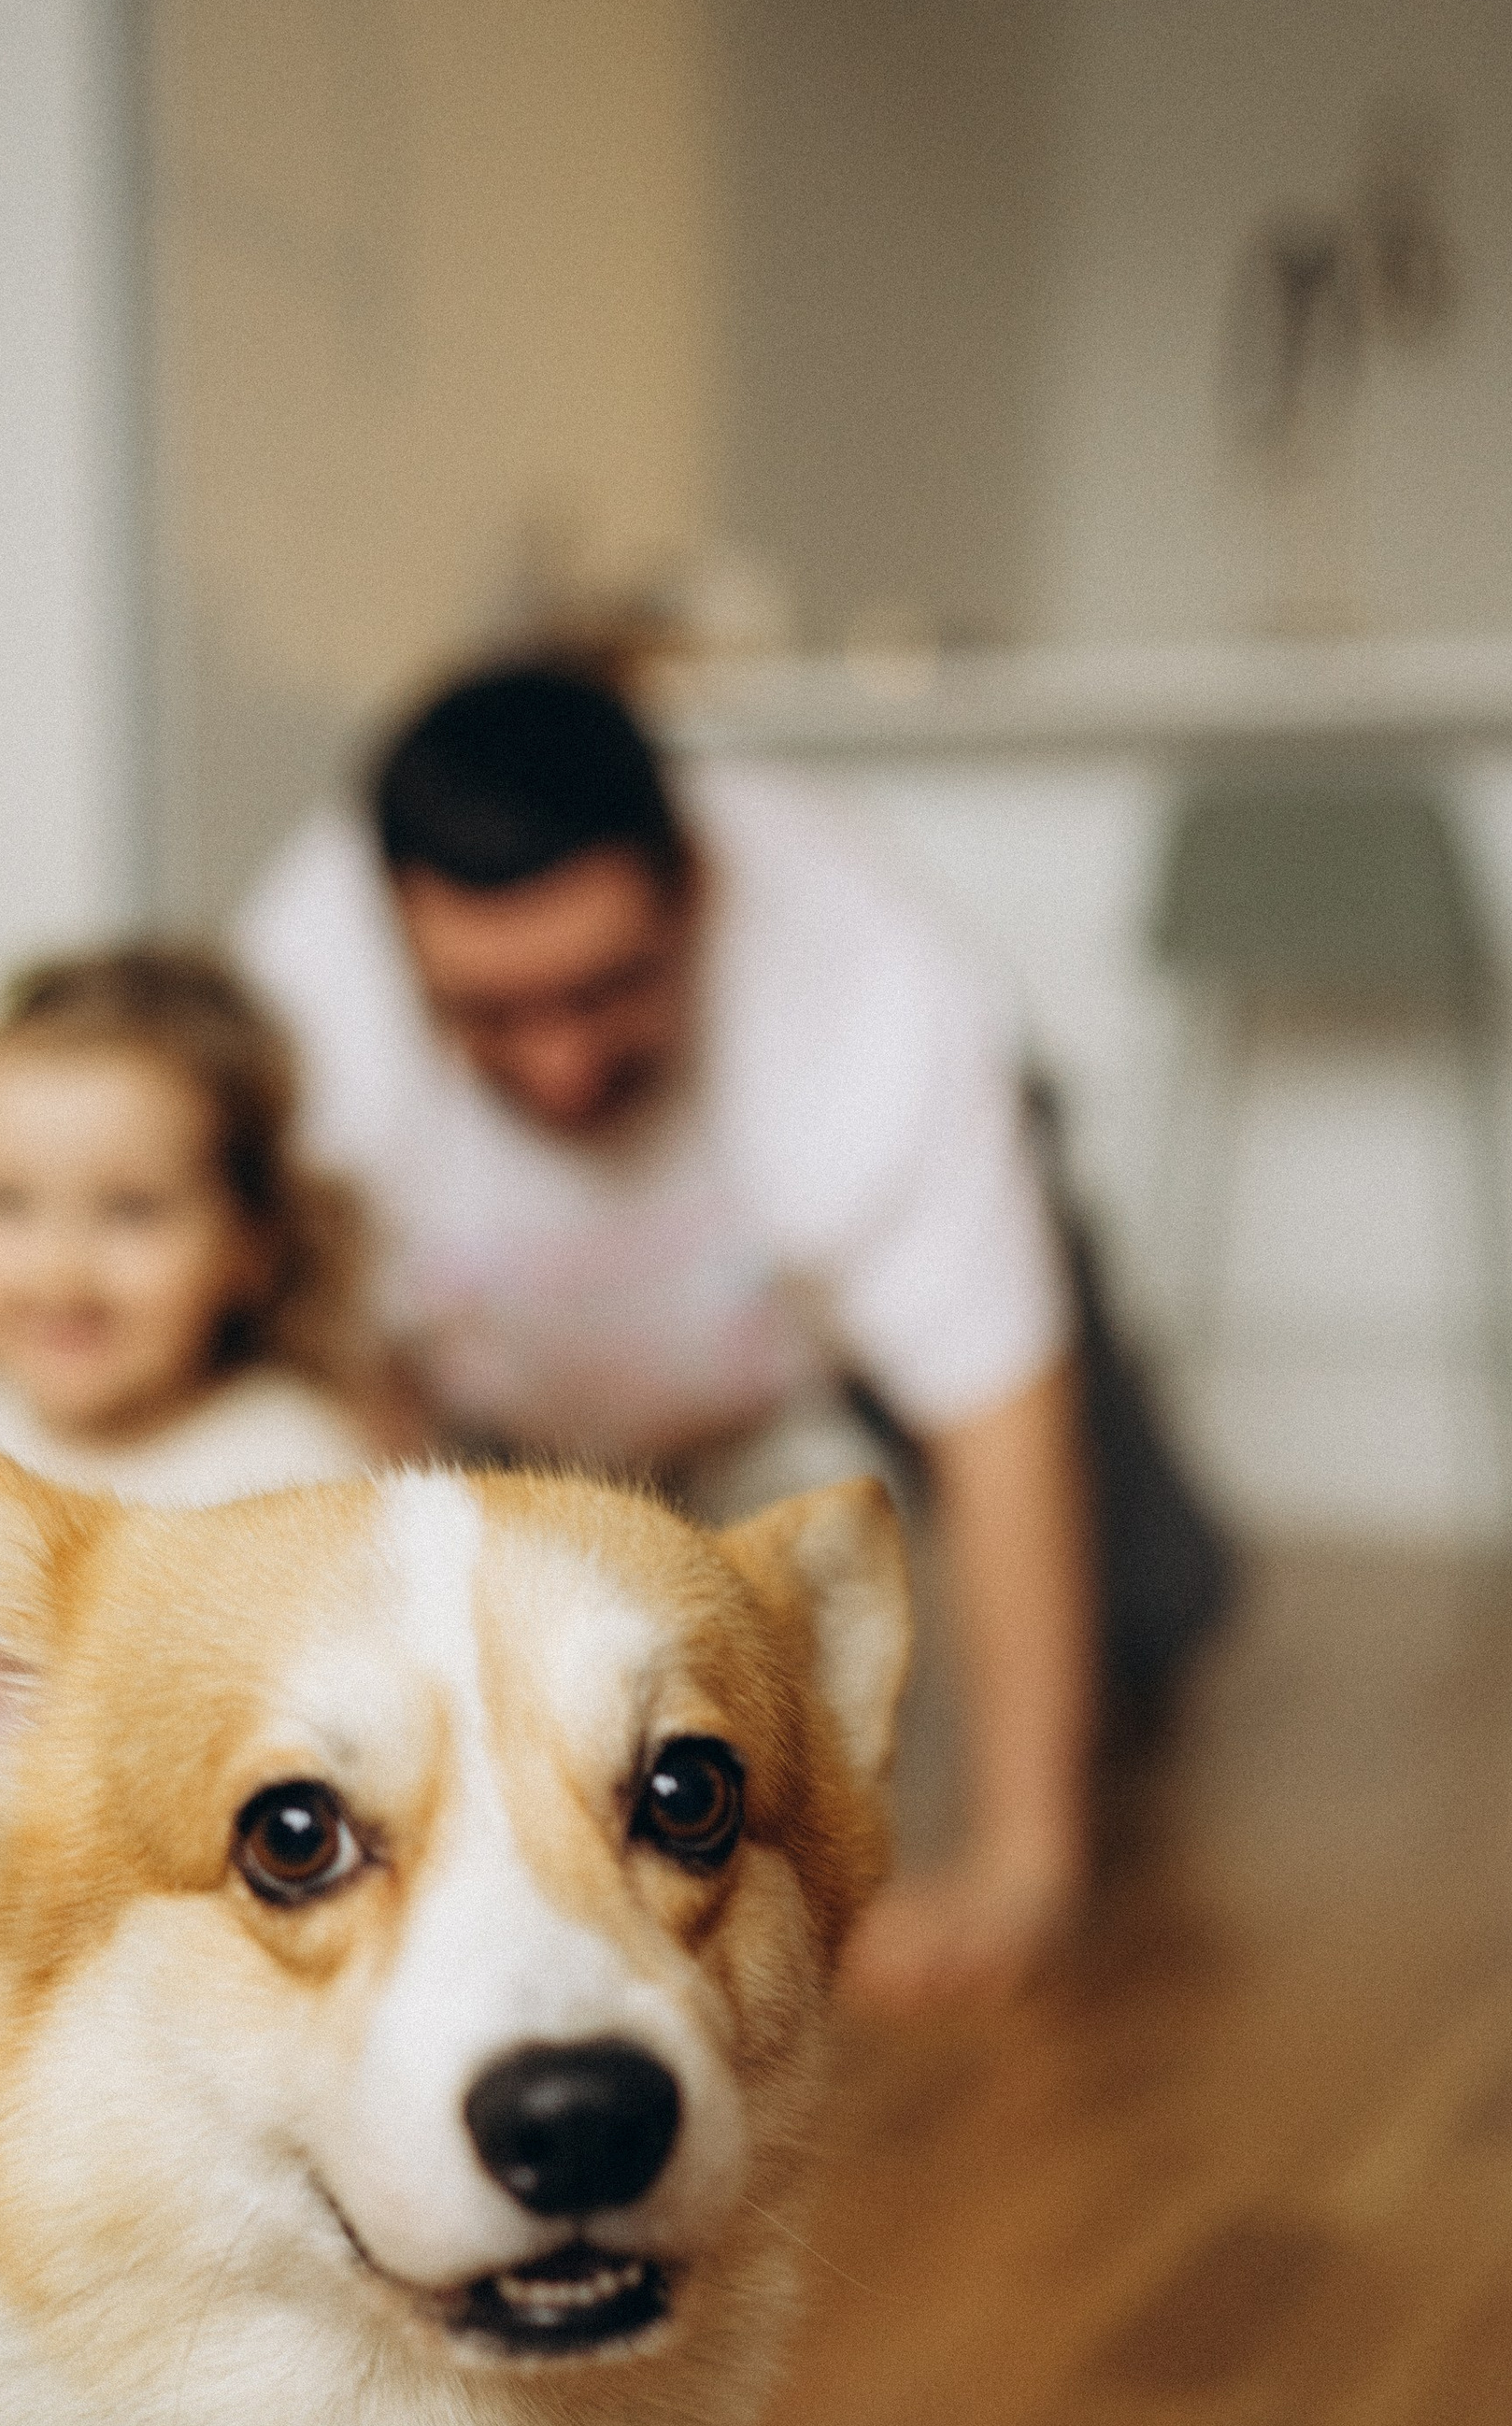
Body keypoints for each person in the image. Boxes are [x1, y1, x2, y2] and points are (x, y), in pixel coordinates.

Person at [237, 658, 1095, 2010]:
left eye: (605, 990)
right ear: (398, 937)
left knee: (1140, 1612)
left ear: (691, 887)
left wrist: (1023, 1863)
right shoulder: (302, 1006)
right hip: (490, 1367)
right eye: (491, 1014)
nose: (562, 1064)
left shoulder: (870, 996)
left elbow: (1001, 1430)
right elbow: (349, 1393)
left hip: (803, 1323)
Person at [0, 942, 380, 1507]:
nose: (60, 1269)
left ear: (253, 1238)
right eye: (7, 1203)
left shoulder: (294, 1471)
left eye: (130, 1209)